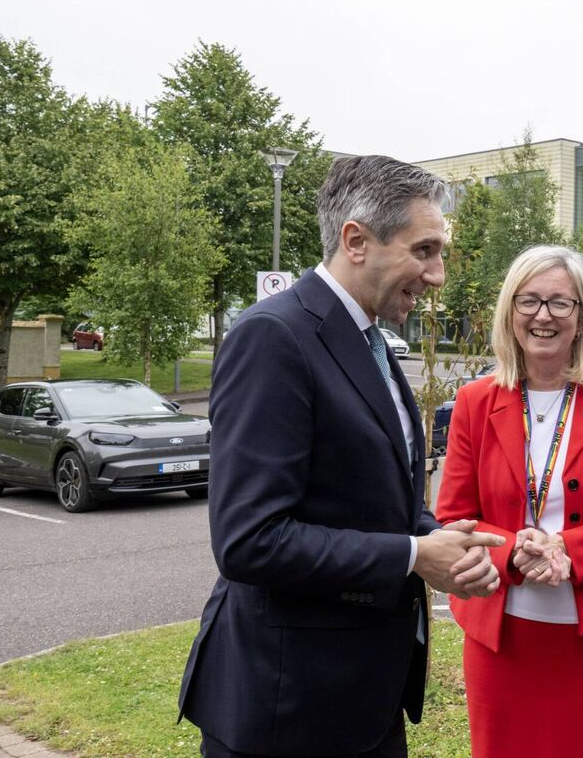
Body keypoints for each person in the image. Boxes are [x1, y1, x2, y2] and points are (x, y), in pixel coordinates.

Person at [178, 155, 504, 758]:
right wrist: (412, 555)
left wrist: (444, 544)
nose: (437, 275)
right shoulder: (274, 337)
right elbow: (250, 539)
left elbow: (380, 500)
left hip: (362, 702)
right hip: (287, 710)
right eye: (424, 250)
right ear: (356, 240)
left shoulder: (370, 340)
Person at [435, 245, 583, 758]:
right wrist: (511, 551)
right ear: (510, 311)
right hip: (504, 640)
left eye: (561, 303)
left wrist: (568, 549)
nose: (543, 316)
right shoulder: (475, 403)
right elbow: (454, 518)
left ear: (582, 316)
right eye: (529, 301)